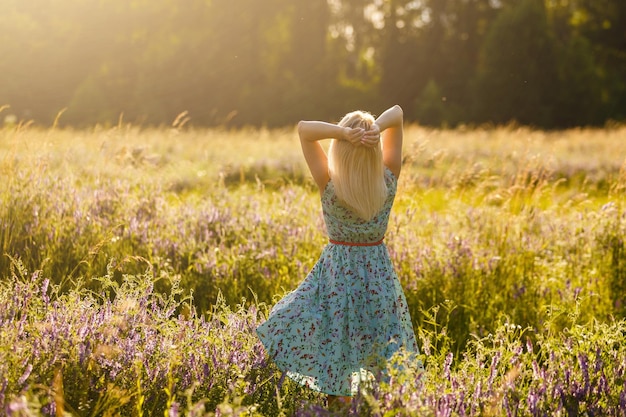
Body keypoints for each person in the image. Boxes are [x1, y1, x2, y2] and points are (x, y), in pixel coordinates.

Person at [256, 105, 419, 407]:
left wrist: (343, 133)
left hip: (336, 283)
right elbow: (396, 113)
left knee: (337, 354)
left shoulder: (329, 186)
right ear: (375, 149)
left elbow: (304, 129)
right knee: (378, 357)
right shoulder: (388, 181)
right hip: (378, 283)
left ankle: (339, 410)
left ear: (339, 153)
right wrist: (377, 128)